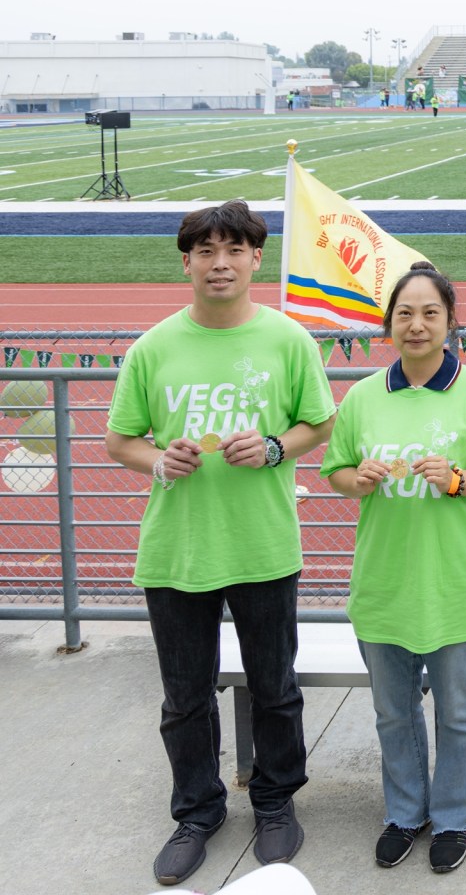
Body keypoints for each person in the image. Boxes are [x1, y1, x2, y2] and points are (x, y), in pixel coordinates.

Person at [105, 200, 336, 887]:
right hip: (177, 550)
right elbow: (120, 440)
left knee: (275, 688)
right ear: (187, 262)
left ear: (255, 259)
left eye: (233, 249)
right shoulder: (154, 347)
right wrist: (157, 461)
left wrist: (271, 448)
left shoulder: (288, 340)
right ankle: (198, 812)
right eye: (205, 251)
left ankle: (274, 800)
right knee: (185, 696)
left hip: (262, 543)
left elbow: (317, 424)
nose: (220, 263)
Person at [320, 262, 466, 874]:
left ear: (450, 322)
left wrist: (460, 480)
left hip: (453, 581)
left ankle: (454, 817)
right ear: (389, 325)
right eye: (404, 313)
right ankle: (405, 812)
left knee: (459, 711)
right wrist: (357, 480)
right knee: (393, 711)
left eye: (430, 313)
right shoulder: (361, 397)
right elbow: (335, 472)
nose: (416, 324)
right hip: (383, 581)